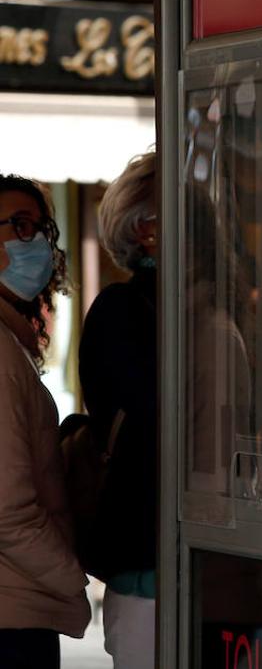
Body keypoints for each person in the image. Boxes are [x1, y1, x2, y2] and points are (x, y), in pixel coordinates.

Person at [0, 175, 90, 667]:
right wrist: (71, 578)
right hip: (13, 616)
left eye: (39, 228)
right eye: (17, 225)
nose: (33, 241)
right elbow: (8, 513)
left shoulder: (10, 342)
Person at [79, 152, 159, 669]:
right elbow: (150, 424)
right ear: (145, 228)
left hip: (207, 567)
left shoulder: (211, 303)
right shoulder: (123, 310)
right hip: (145, 563)